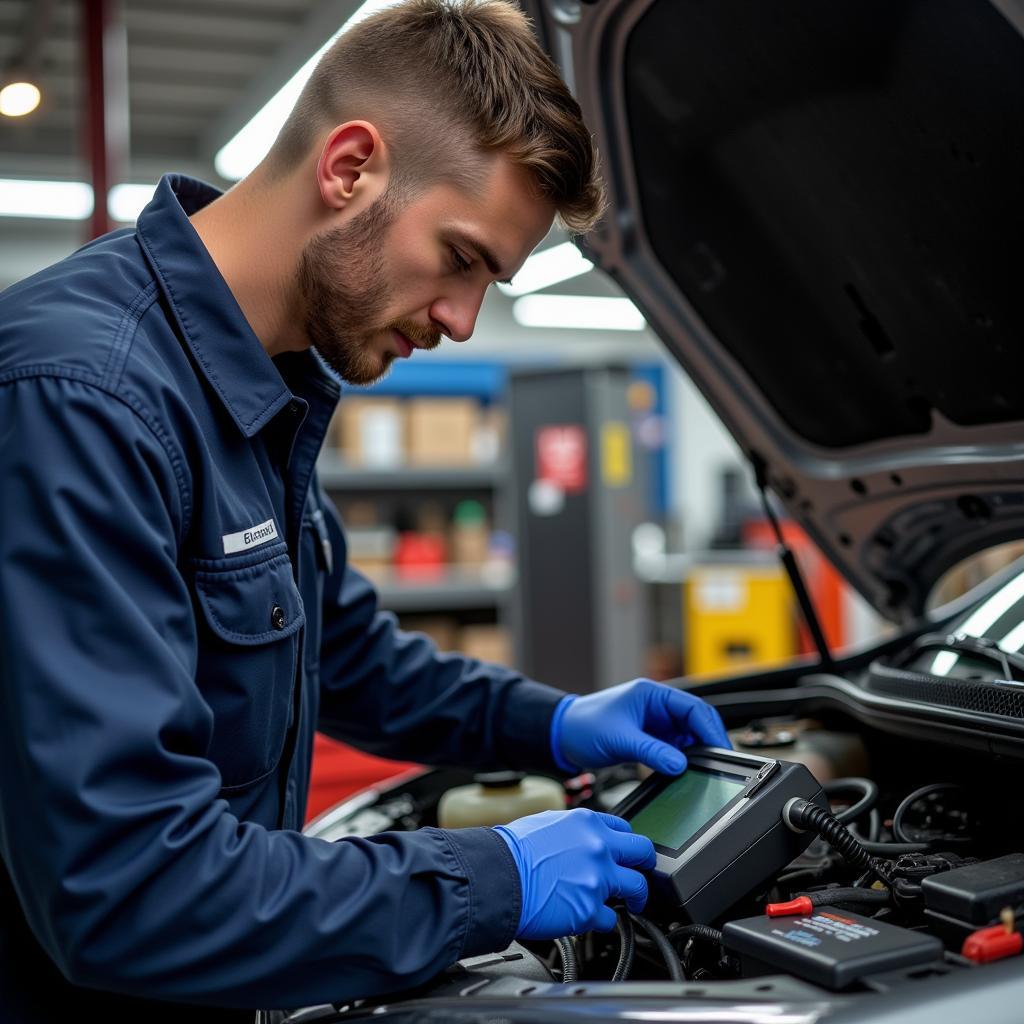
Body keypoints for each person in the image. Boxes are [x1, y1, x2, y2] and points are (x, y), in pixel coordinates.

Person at [0, 1, 730, 1019]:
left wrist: (555, 723)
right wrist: (487, 880)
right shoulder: (84, 400)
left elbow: (346, 658)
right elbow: (121, 886)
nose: (461, 321)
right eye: (463, 258)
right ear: (349, 167)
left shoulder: (265, 388)